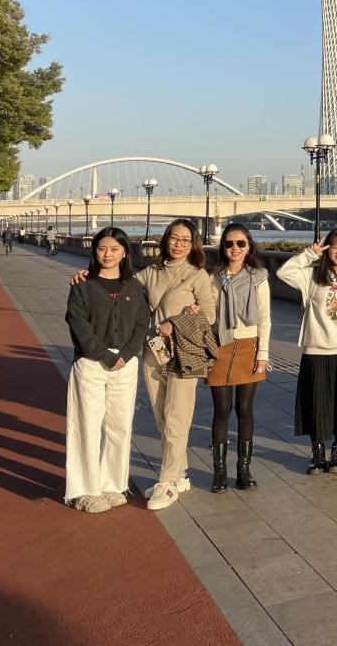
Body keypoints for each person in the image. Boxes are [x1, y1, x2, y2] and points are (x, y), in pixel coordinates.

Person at [63, 228, 147, 513]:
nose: (107, 254)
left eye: (114, 249)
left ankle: (112, 483)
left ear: (124, 252)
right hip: (90, 363)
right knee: (86, 425)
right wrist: (104, 355)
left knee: (119, 426)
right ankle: (85, 491)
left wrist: (127, 354)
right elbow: (77, 323)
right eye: (102, 248)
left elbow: (142, 323)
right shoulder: (82, 285)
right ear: (94, 250)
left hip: (125, 364)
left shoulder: (134, 286)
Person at [138, 219, 216, 511]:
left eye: (185, 239)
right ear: (165, 240)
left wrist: (178, 321)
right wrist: (89, 275)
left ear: (193, 244)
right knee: (161, 417)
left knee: (176, 417)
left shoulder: (197, 275)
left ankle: (168, 481)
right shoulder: (151, 272)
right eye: (174, 238)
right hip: (154, 352)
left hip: (183, 353)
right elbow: (124, 288)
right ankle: (180, 472)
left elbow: (209, 314)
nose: (179, 244)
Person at [277, 229, 337, 476]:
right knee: (317, 404)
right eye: (335, 246)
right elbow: (283, 272)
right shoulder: (313, 275)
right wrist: (310, 254)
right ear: (327, 249)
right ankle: (317, 453)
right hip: (316, 349)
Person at [206, 224, 271, 492]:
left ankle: (243, 469)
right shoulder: (213, 277)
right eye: (229, 244)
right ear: (223, 247)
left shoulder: (258, 277)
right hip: (220, 344)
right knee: (221, 410)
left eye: (240, 243)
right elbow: (208, 313)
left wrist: (263, 354)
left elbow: (265, 317)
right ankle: (219, 472)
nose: (235, 248)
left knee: (244, 409)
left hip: (248, 345)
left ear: (249, 246)